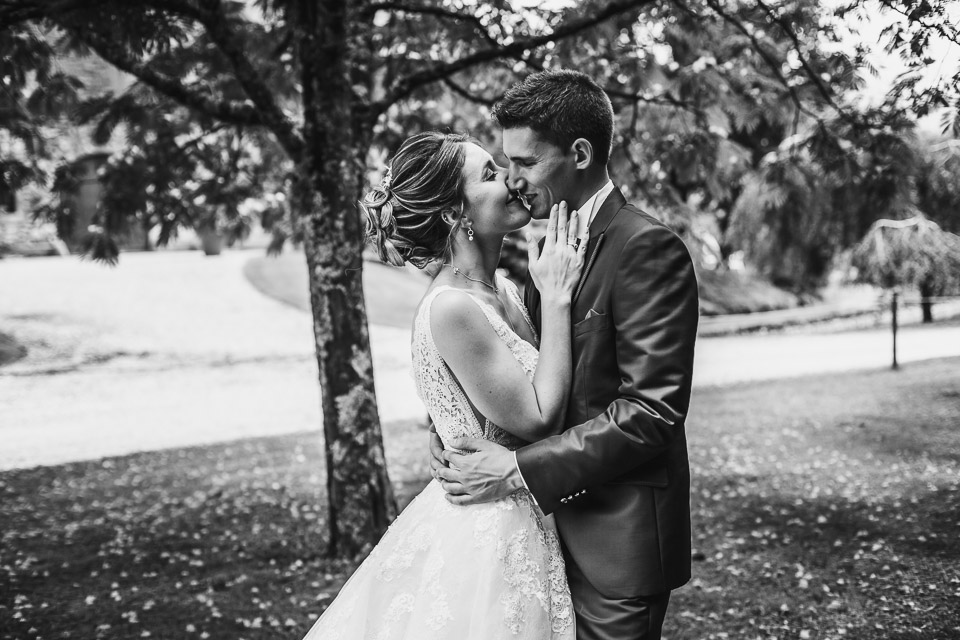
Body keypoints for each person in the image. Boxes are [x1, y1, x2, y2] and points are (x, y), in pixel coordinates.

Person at [429, 70, 700, 640]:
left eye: (525, 163)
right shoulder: (546, 250)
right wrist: (460, 430)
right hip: (537, 538)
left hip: (615, 541)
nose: (512, 181)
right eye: (504, 164)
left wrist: (518, 469)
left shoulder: (645, 248)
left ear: (579, 152)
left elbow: (652, 412)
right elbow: (525, 373)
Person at [301, 130, 588, 639]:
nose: (511, 179)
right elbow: (540, 415)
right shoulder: (454, 307)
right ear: (455, 215)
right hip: (488, 533)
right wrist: (559, 296)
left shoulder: (502, 289)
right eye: (490, 174)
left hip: (525, 510)